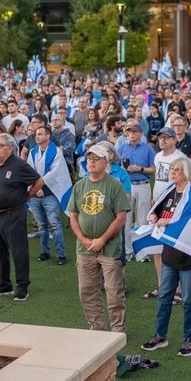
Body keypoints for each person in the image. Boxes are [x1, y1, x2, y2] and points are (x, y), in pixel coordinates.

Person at [140, 157, 191, 358]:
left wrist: (162, 220)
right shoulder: (169, 192)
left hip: (190, 258)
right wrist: (153, 216)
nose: (174, 172)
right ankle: (159, 336)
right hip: (170, 255)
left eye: (178, 169)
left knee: (188, 299)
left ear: (187, 172)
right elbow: (158, 211)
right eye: (172, 169)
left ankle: (189, 340)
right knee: (164, 296)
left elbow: (182, 220)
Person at [67, 142, 131, 332]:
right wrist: (83, 240)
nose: (91, 162)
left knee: (113, 293)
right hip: (84, 249)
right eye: (89, 158)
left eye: (96, 158)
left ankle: (117, 331)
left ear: (106, 161)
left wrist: (102, 240)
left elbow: (121, 217)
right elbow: (73, 216)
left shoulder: (114, 185)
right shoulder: (79, 185)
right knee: (87, 291)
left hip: (109, 249)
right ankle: (96, 329)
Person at [0, 132, 43, 301]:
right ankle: (4, 283)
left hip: (14, 214)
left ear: (10, 148)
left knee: (18, 251)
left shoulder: (19, 165)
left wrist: (27, 196)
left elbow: (39, 181)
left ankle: (22, 285)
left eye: (0, 146)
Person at [25, 124, 69, 265]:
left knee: (55, 224)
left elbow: (56, 174)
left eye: (40, 134)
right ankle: (45, 252)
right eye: (36, 134)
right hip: (35, 193)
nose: (37, 136)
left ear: (48, 136)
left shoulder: (56, 152)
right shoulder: (33, 151)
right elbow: (29, 171)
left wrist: (42, 187)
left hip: (50, 193)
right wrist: (35, 188)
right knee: (42, 225)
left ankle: (61, 254)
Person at [118, 122, 156, 260]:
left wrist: (140, 169)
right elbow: (116, 167)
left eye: (134, 131)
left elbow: (154, 169)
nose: (132, 134)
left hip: (143, 184)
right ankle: (128, 251)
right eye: (130, 132)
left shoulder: (148, 149)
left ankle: (143, 252)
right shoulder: (121, 148)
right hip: (127, 185)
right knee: (126, 219)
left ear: (140, 133)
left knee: (142, 219)